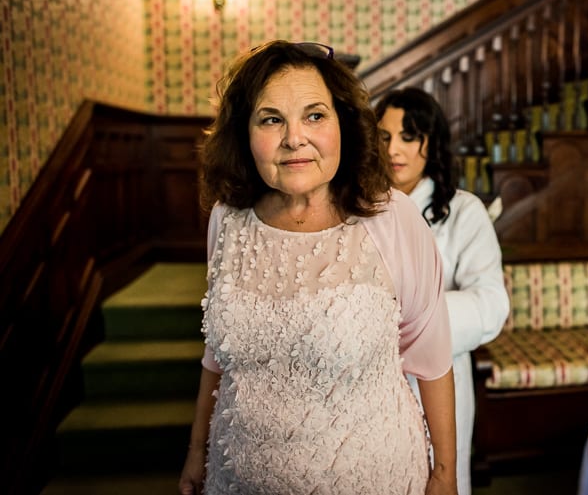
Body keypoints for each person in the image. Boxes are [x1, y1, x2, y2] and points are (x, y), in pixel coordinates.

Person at [178, 41, 458, 495]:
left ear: (342, 123)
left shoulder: (392, 219)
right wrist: (196, 452)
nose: (294, 138)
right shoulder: (227, 219)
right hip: (240, 476)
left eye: (314, 115)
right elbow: (217, 356)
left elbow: (432, 356)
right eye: (271, 119)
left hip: (373, 476)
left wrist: (445, 474)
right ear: (244, 134)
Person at [374, 87, 509, 495]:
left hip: (441, 382)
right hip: (371, 384)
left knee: (440, 479)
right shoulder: (362, 209)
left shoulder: (464, 212)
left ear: (431, 143)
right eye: (384, 136)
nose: (393, 148)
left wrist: (405, 319)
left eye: (408, 136)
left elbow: (491, 305)